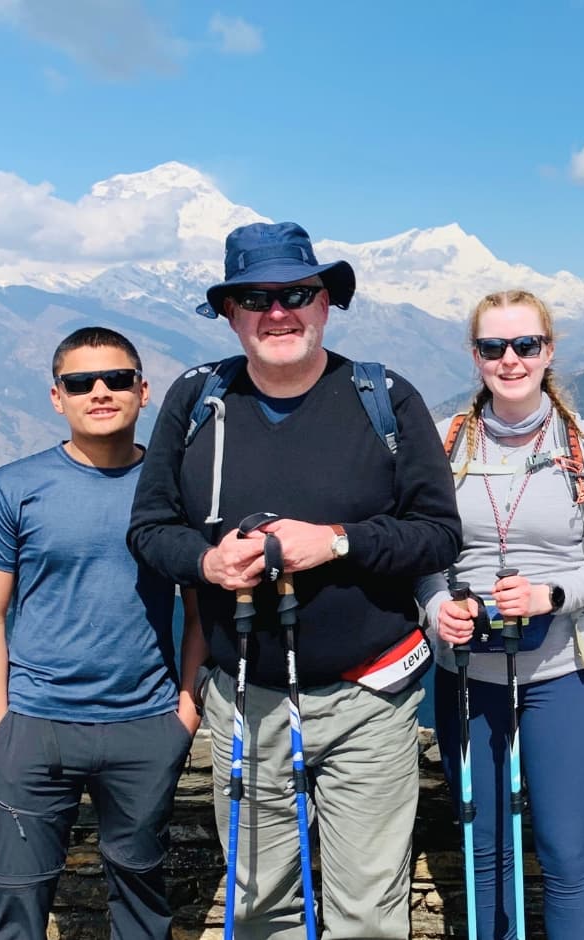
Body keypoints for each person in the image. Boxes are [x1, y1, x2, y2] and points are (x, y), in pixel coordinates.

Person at [127, 221, 461, 938]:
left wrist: (336, 542)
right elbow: (150, 530)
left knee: (367, 912)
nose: (278, 312)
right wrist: (209, 563)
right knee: (258, 903)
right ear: (229, 312)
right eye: (256, 297)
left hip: (370, 695)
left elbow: (438, 533)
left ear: (326, 303)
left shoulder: (384, 398)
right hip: (245, 698)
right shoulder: (196, 402)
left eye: (297, 294)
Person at [0, 326, 193, 939]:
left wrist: (183, 718)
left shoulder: (176, 493)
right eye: (80, 382)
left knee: (143, 904)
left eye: (117, 379)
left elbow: (202, 615)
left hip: (145, 725)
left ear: (143, 392)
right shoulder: (14, 487)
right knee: (15, 903)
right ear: (55, 397)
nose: (99, 391)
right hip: (34, 727)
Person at [419, 289, 584, 939]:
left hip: (566, 669)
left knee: (566, 851)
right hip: (468, 669)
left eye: (525, 345)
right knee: (483, 848)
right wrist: (434, 610)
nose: (510, 360)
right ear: (475, 354)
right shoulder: (446, 443)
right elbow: (424, 553)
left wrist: (550, 595)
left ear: (548, 351)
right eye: (493, 347)